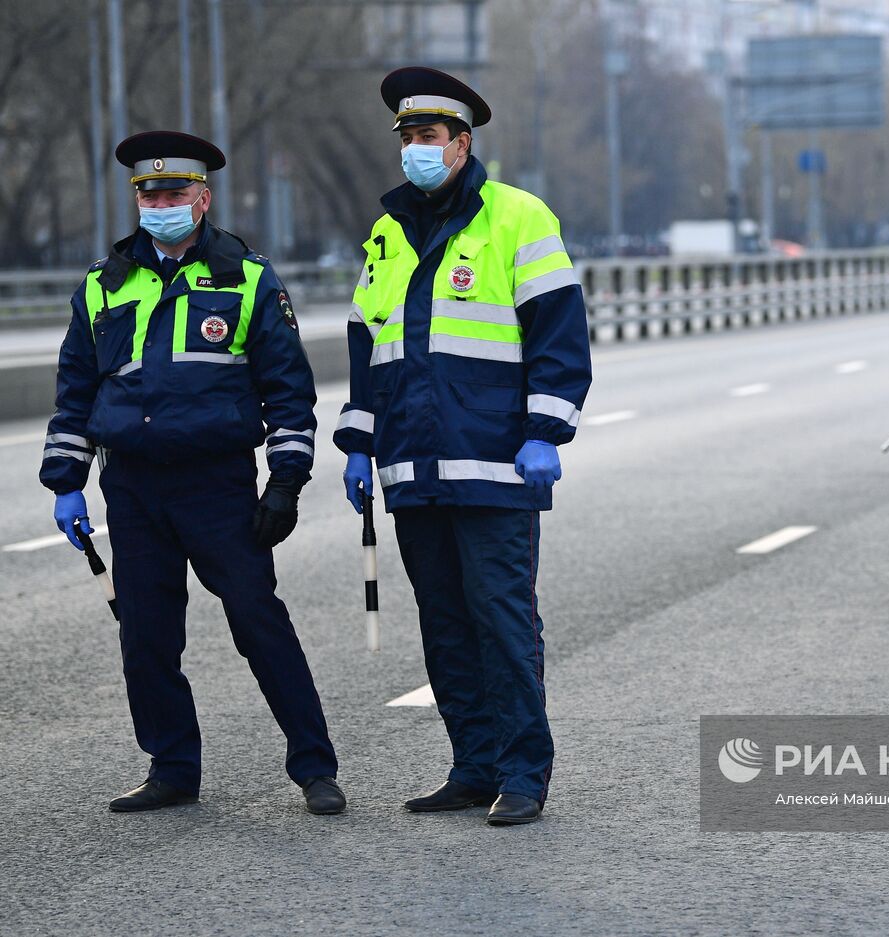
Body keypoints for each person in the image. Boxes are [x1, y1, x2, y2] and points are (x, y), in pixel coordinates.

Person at [40, 131, 343, 815]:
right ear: (137, 199)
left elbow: (288, 391)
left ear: (203, 199)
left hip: (216, 485)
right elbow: (76, 393)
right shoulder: (103, 284)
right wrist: (65, 481)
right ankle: (172, 766)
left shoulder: (247, 278)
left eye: (175, 192)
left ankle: (314, 765)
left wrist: (286, 480)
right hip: (134, 485)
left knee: (256, 619)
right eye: (150, 192)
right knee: (145, 634)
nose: (161, 202)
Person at [334, 67, 591, 826]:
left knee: (503, 620)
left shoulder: (517, 217)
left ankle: (523, 775)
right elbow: (366, 344)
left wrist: (547, 431)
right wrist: (358, 443)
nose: (417, 149)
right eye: (408, 138)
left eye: (429, 137)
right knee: (445, 624)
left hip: (497, 465)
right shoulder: (387, 233)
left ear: (461, 143)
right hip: (412, 466)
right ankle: (473, 766)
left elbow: (558, 334)